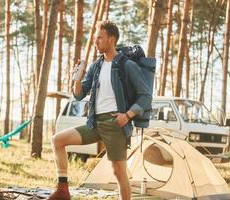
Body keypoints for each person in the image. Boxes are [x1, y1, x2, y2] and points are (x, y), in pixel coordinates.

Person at [48, 20, 152, 200]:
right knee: (58, 140)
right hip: (94, 122)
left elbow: (146, 96)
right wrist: (77, 78)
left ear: (111, 39)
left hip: (115, 124)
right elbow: (79, 95)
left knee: (119, 172)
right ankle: (63, 190)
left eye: (99, 38)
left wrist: (127, 115)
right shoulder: (96, 66)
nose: (95, 42)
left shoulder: (127, 65)